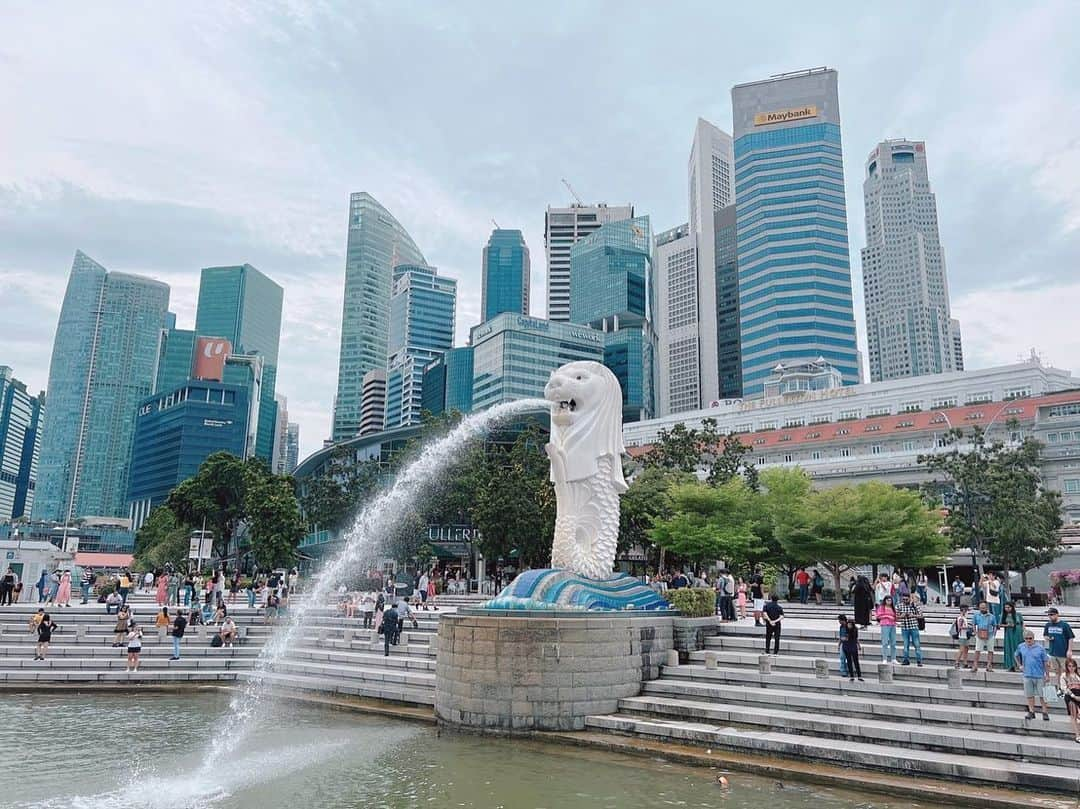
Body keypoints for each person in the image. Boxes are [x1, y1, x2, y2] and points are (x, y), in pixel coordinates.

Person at [1014, 629, 1052, 721]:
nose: (1028, 640)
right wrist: (1020, 665)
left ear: (1033, 638)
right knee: (1029, 694)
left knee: (1043, 695)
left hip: (1039, 675)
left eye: (1030, 638)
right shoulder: (1021, 646)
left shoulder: (1040, 648)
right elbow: (1016, 655)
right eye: (1026, 638)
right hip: (1027, 674)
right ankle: (1031, 711)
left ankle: (1045, 712)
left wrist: (1047, 675)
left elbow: (1045, 662)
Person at [1043, 608, 1075, 676]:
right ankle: (1059, 686)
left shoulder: (1064, 625)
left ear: (1057, 614)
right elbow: (1045, 635)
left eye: (1051, 614)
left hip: (1063, 653)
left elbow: (1071, 637)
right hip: (1052, 653)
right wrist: (1048, 638)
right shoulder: (1047, 625)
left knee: (1065, 672)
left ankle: (1066, 686)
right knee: (1057, 672)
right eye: (1048, 615)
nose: (1050, 616)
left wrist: (1069, 650)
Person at [971, 600, 999, 672]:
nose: (982, 609)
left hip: (989, 635)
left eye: (984, 607)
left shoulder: (992, 616)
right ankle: (975, 665)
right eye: (981, 608)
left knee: (990, 650)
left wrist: (994, 634)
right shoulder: (976, 615)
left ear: (987, 607)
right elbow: (973, 624)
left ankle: (989, 665)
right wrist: (975, 632)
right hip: (980, 635)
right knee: (977, 650)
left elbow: (995, 625)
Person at [896, 593, 924, 666]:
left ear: (909, 598)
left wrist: (913, 615)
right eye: (903, 599)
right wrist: (901, 616)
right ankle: (906, 660)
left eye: (906, 599)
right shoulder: (899, 605)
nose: (905, 601)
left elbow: (921, 616)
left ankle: (919, 660)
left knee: (917, 644)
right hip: (904, 627)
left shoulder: (914, 605)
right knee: (905, 645)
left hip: (914, 627)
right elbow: (895, 616)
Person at [1059, 657, 1080, 744]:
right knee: (1073, 715)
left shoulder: (1078, 675)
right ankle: (1077, 735)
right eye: (1069, 666)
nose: (1071, 668)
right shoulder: (1064, 676)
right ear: (1067, 667)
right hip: (1070, 696)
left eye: (1073, 666)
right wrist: (1073, 696)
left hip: (1079, 694)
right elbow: (1064, 688)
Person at [1001, 602, 1025, 672]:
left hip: (1018, 632)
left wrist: (1024, 631)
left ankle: (1020, 665)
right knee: (1010, 648)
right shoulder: (1003, 615)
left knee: (1018, 648)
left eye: (1009, 607)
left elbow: (1022, 623)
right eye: (1006, 607)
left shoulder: (1018, 614)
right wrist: (1007, 625)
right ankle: (1011, 666)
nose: (1007, 609)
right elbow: (1000, 625)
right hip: (1009, 633)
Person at [875, 595, 898, 664]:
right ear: (885, 600)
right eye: (888, 600)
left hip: (892, 625)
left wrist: (894, 619)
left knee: (893, 642)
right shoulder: (881, 607)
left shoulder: (893, 608)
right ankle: (884, 658)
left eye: (890, 600)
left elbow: (895, 616)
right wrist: (888, 616)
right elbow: (878, 616)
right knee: (885, 642)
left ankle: (893, 658)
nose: (889, 602)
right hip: (885, 625)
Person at [951, 605, 974, 669]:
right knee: (961, 649)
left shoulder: (964, 617)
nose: (967, 612)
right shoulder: (961, 618)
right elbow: (959, 627)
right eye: (966, 610)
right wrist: (967, 628)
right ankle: (957, 662)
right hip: (962, 635)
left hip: (965, 636)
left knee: (966, 649)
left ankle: (965, 663)